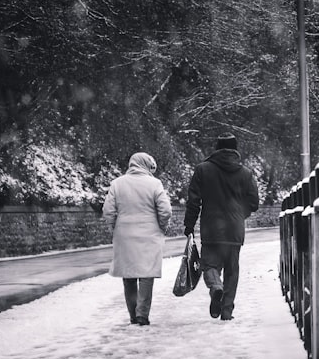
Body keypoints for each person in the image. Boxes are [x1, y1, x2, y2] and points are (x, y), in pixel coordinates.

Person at [183, 133, 259, 321]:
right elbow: (254, 202)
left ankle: (216, 287)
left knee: (209, 266)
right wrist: (239, 214)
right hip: (234, 230)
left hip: (211, 228)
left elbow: (193, 201)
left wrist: (189, 225)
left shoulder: (203, 170)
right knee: (232, 271)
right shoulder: (246, 173)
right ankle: (226, 311)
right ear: (235, 149)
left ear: (216, 148)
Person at [102, 152, 173, 326]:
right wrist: (162, 227)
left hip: (124, 234)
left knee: (129, 275)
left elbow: (108, 210)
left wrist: (114, 228)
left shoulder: (117, 184)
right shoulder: (154, 184)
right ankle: (142, 314)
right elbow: (166, 210)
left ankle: (133, 315)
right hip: (150, 234)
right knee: (147, 274)